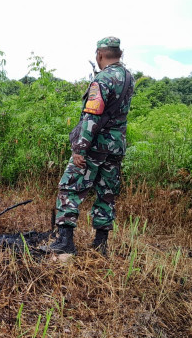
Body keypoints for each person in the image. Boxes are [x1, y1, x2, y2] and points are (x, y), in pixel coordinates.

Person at [46, 36, 134, 255]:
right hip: (116, 145)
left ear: (100, 55)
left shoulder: (102, 79)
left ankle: (65, 241)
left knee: (70, 186)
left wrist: (80, 148)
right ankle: (101, 244)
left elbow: (92, 117)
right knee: (106, 192)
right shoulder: (128, 77)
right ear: (119, 54)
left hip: (96, 144)